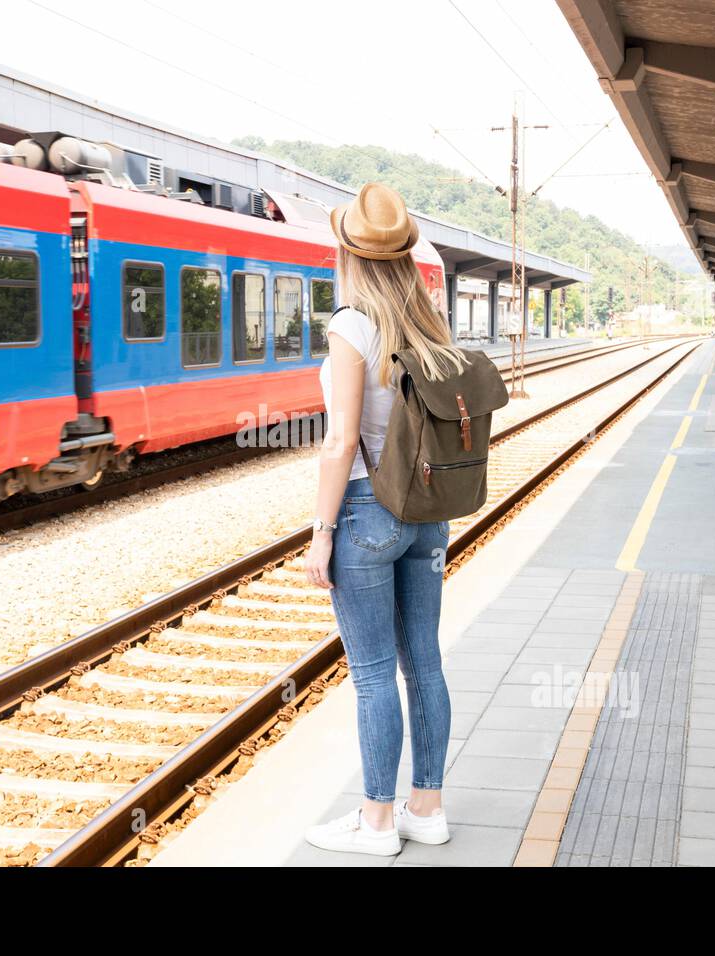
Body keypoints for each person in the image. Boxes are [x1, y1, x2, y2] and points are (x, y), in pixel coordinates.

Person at [302, 182, 467, 856]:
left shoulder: (350, 325)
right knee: (422, 662)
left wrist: (321, 531)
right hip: (427, 513)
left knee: (372, 673)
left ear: (348, 252)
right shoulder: (429, 322)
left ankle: (375, 822)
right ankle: (425, 809)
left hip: (369, 512)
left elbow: (341, 441)